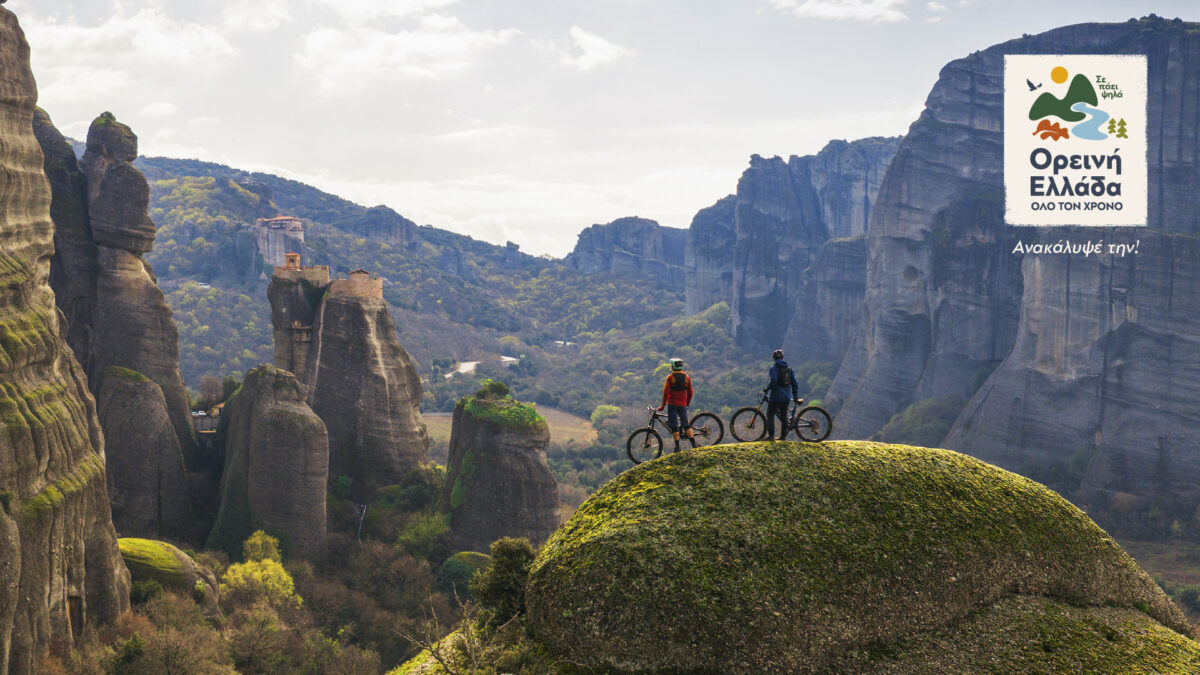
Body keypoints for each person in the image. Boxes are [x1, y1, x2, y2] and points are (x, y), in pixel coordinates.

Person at [657, 357, 695, 452]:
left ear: (673, 366)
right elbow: (690, 392)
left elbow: (665, 393)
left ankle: (677, 447)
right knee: (686, 424)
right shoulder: (687, 378)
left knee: (674, 425)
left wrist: (662, 406)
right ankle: (694, 444)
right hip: (683, 404)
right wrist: (687, 403)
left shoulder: (670, 378)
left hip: (672, 404)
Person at [765, 349, 801, 441]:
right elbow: (795, 383)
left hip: (776, 397)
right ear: (783, 357)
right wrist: (795, 396)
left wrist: (768, 388)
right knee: (784, 416)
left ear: (774, 358)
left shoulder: (774, 368)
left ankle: (771, 435)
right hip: (786, 397)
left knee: (770, 414)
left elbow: (773, 381)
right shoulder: (789, 369)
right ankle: (783, 436)